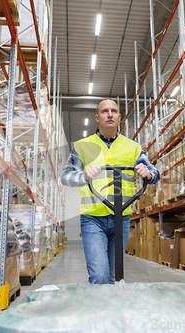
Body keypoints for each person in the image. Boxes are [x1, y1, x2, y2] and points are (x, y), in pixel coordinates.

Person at [61, 99, 160, 284]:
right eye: (105, 111)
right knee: (99, 276)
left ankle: (114, 311)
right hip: (92, 218)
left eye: (114, 111)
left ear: (119, 117)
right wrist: (84, 176)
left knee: (117, 277)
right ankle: (99, 311)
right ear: (97, 117)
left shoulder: (133, 147)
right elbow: (66, 177)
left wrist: (147, 173)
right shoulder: (82, 146)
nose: (110, 114)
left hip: (121, 217)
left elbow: (155, 173)